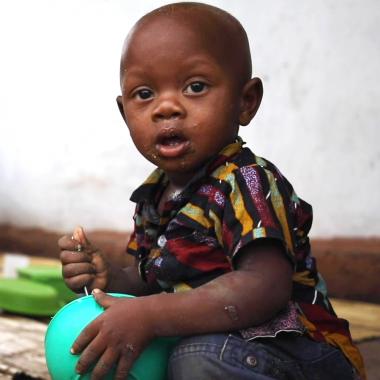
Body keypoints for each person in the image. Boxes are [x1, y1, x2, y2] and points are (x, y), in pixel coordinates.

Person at [58, 2, 365, 379]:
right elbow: (152, 280)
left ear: (245, 101)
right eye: (144, 94)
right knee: (112, 340)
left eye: (195, 87)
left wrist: (150, 316)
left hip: (299, 352)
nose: (166, 107)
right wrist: (110, 279)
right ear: (125, 114)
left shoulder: (247, 183)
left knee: (195, 357)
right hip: (220, 344)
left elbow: (264, 288)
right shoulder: (154, 196)